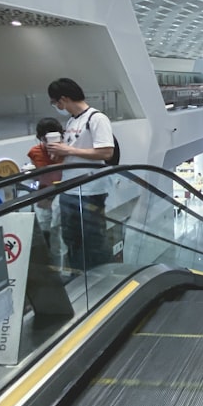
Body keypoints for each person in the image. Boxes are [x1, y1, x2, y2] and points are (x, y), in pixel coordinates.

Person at [45, 78, 115, 272]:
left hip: (90, 190)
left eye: (55, 102)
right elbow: (73, 151)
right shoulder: (71, 121)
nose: (56, 107)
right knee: (72, 239)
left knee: (93, 240)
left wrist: (68, 151)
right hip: (70, 189)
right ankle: (80, 276)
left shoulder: (96, 119)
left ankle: (102, 279)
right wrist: (60, 153)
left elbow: (106, 152)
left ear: (64, 99)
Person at [28, 117, 64, 249]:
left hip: (63, 191)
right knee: (46, 229)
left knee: (59, 230)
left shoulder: (67, 150)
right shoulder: (36, 152)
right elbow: (40, 174)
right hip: (44, 194)